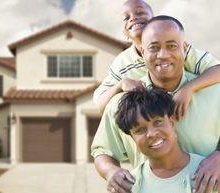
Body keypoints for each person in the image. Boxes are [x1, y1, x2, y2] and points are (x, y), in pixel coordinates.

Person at [91, 15, 220, 193]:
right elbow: (102, 150)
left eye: (171, 46)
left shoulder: (214, 92)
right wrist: (111, 172)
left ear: (184, 48)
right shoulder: (122, 104)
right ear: (142, 52)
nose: (163, 54)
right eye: (154, 48)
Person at [93, 0, 220, 121]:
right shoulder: (122, 62)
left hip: (190, 113)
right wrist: (120, 85)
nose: (133, 18)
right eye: (126, 17)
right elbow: (101, 105)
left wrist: (189, 88)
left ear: (154, 20)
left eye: (140, 12)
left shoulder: (178, 50)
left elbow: (217, 70)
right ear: (124, 32)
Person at [115, 87, 204, 193]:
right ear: (133, 139)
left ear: (171, 122)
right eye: (140, 130)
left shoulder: (208, 172)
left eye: (158, 122)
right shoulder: (130, 185)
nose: (151, 134)